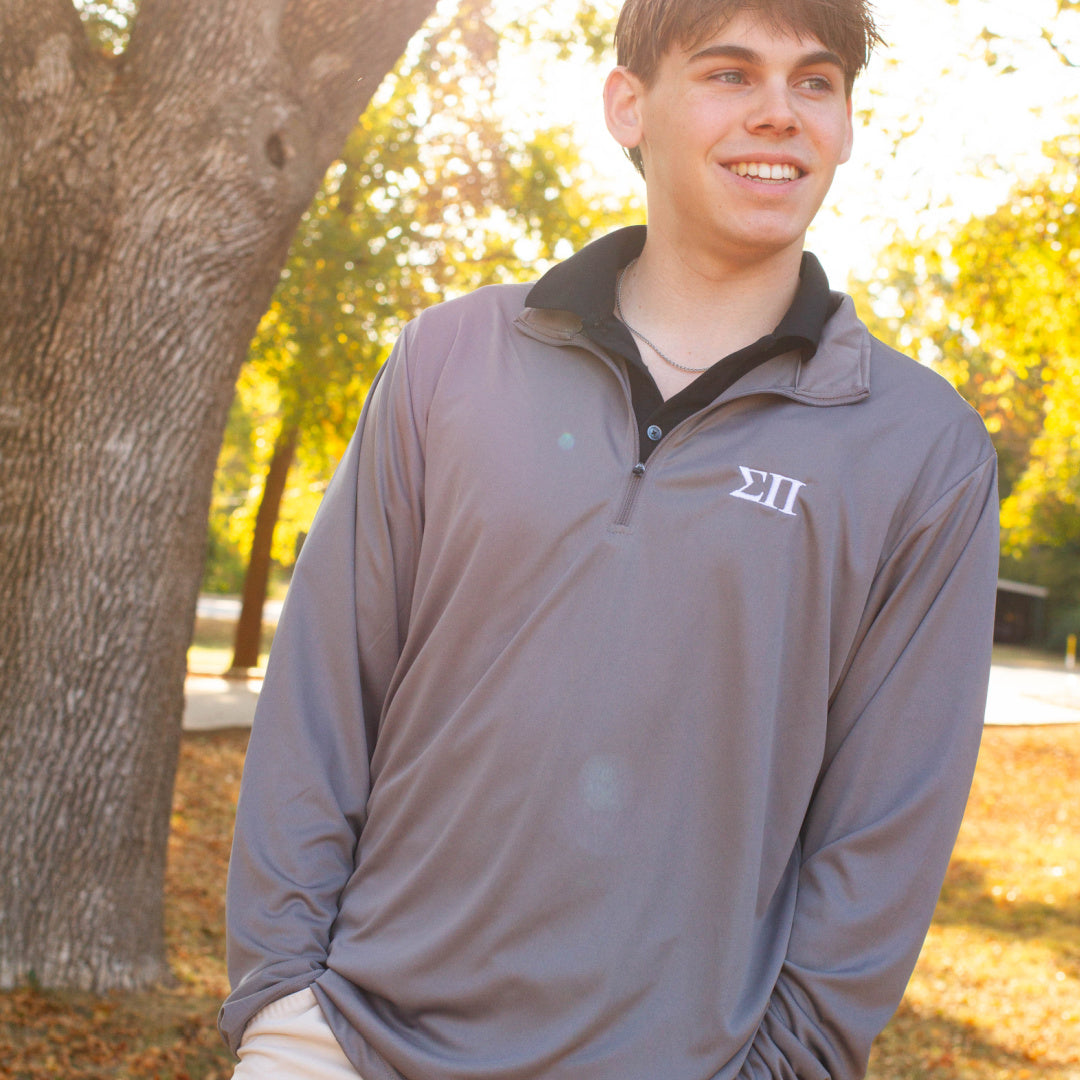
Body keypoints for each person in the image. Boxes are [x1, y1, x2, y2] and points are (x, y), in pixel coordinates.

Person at [219, 0, 1000, 1076]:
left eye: (815, 83)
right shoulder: (449, 360)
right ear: (628, 106)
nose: (780, 114)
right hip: (348, 1043)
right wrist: (281, 1001)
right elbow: (321, 700)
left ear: (848, 123)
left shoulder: (922, 449)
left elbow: (887, 824)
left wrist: (788, 1064)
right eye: (731, 74)